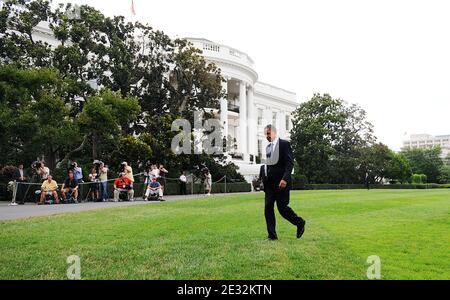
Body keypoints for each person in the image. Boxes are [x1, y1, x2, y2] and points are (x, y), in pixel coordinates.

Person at [259, 125, 305, 241]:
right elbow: (269, 166)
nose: (267, 137)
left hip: (282, 183)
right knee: (267, 208)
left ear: (274, 132)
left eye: (268, 134)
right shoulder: (268, 148)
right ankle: (272, 236)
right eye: (266, 134)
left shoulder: (284, 144)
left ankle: (299, 222)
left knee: (282, 209)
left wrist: (284, 178)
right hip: (269, 184)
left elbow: (289, 163)